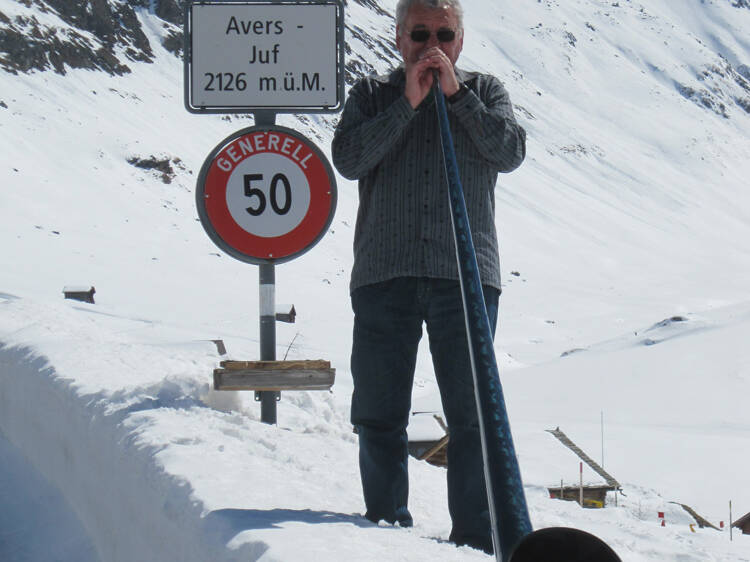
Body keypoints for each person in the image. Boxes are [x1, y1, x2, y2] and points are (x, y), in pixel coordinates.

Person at [331, 0, 526, 554]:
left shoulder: (484, 92)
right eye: (420, 33)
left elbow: (508, 151)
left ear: (461, 40)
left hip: (463, 277)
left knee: (471, 416)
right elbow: (348, 158)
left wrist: (455, 99)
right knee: (379, 411)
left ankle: (474, 540)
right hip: (384, 273)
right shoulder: (372, 95)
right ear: (399, 38)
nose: (432, 44)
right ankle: (386, 527)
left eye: (445, 33)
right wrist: (409, 104)